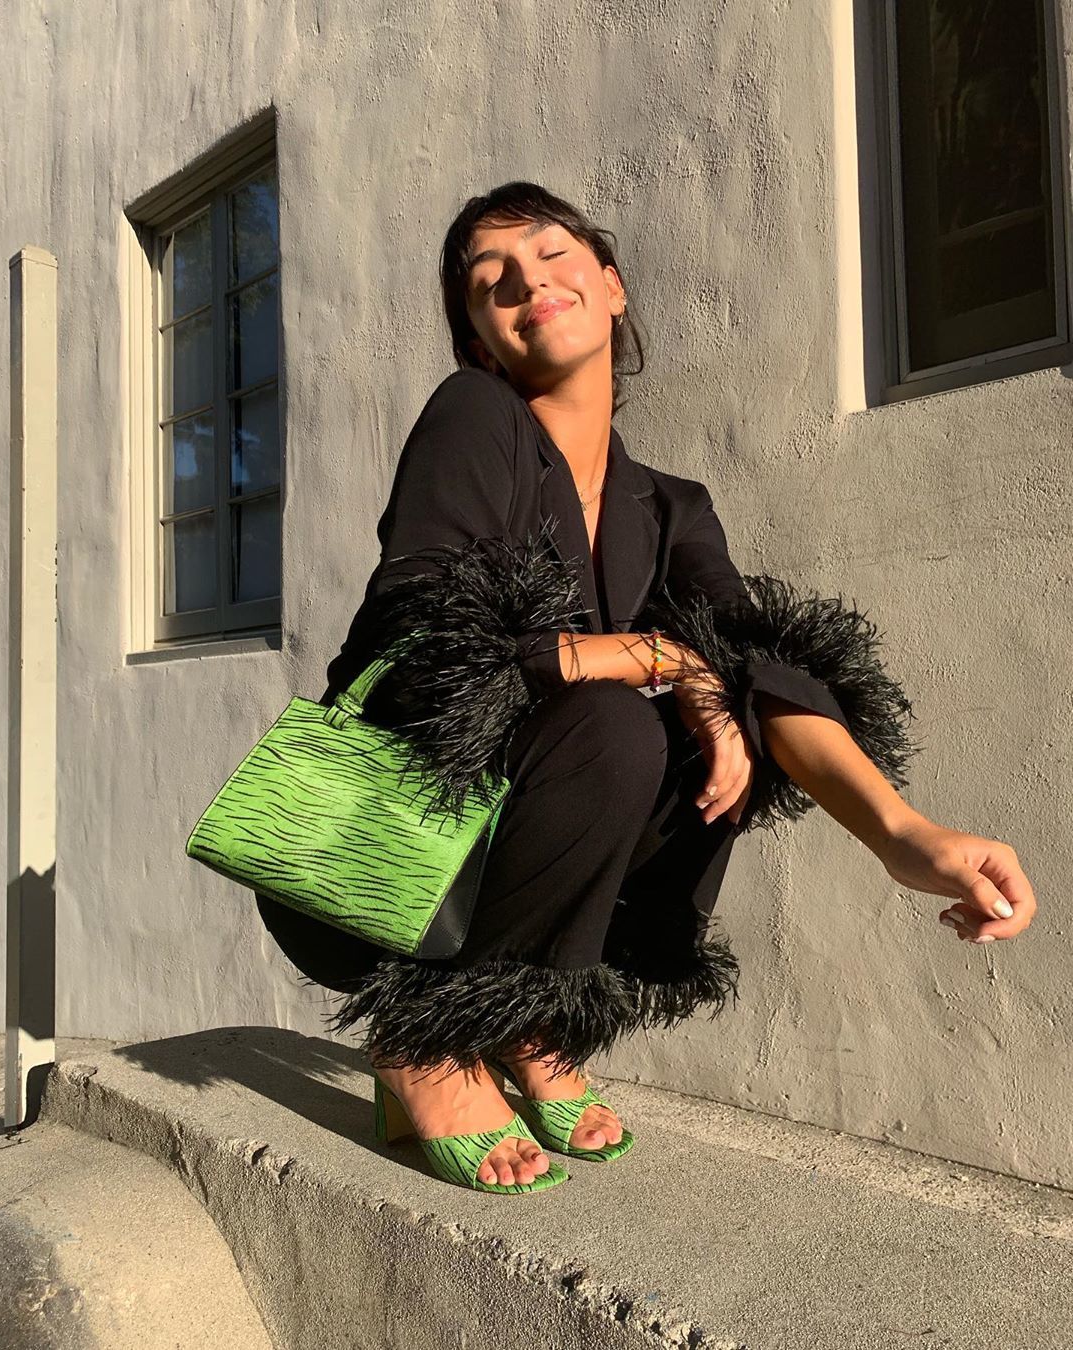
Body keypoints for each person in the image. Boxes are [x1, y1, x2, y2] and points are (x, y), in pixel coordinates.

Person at [256, 181, 1037, 1194]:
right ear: (480, 342)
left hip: (509, 843)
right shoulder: (475, 414)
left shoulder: (668, 507)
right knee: (620, 721)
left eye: (552, 253)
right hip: (386, 846)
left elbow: (765, 664)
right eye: (492, 281)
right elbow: (428, 629)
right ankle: (426, 1040)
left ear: (612, 286)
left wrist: (902, 834)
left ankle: (530, 1017)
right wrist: (646, 658)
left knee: (727, 718)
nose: (527, 280)